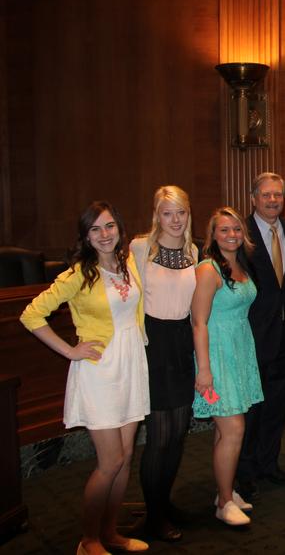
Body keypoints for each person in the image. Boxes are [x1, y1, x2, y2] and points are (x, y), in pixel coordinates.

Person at [21, 201, 150, 555]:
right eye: (95, 229)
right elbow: (31, 315)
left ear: (119, 228)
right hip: (100, 370)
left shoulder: (127, 264)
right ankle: (88, 539)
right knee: (109, 462)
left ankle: (110, 533)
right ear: (86, 236)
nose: (105, 234)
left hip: (131, 364)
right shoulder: (79, 273)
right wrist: (70, 351)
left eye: (109, 226)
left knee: (124, 457)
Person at [130, 186, 197, 542]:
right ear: (157, 215)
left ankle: (165, 503)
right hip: (153, 345)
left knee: (179, 434)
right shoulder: (140, 248)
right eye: (167, 213)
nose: (174, 220)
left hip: (182, 343)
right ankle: (153, 515)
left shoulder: (193, 250)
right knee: (159, 436)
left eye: (181, 213)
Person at [191, 207, 264, 526]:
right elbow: (198, 322)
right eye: (224, 230)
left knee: (228, 432)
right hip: (217, 354)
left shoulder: (240, 264)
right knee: (233, 430)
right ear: (212, 236)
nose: (232, 235)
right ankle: (223, 501)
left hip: (239, 350)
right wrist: (204, 370)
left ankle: (226, 491)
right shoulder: (208, 269)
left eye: (236, 229)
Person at [238, 172, 285, 496]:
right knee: (251, 405)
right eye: (266, 195)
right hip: (251, 333)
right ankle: (245, 469)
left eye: (278, 195)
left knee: (276, 404)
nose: (273, 200)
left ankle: (269, 463)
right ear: (253, 199)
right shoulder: (240, 233)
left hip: (283, 333)